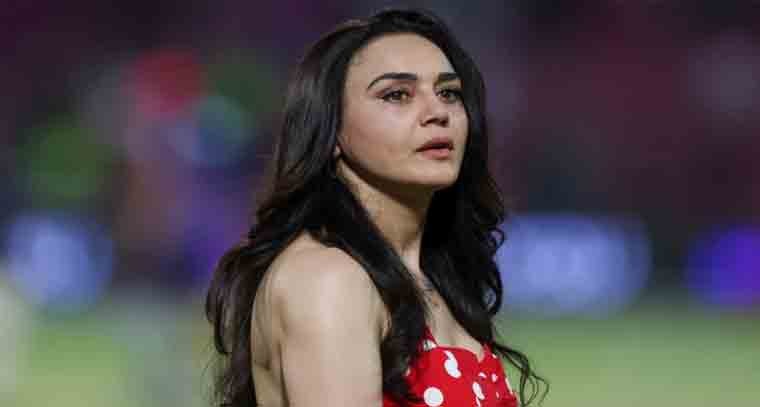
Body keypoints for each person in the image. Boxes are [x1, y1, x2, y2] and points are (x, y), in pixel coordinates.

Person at [205, 7, 547, 407]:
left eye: (449, 93)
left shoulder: (431, 279)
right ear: (331, 129)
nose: (438, 112)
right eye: (396, 95)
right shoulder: (329, 279)